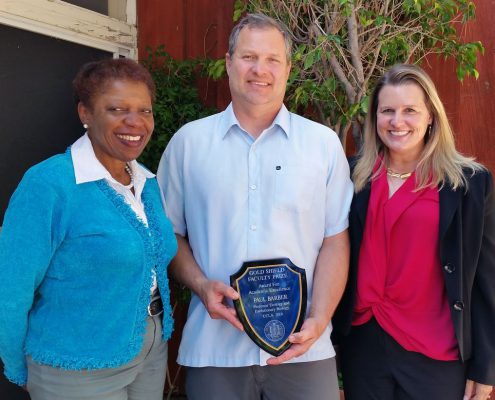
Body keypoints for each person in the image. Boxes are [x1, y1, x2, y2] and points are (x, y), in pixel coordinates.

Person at [157, 12, 353, 400]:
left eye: (272, 59)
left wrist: (320, 319)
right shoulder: (189, 144)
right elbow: (169, 234)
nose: (259, 69)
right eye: (248, 57)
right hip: (214, 349)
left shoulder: (322, 144)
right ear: (229, 63)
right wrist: (199, 284)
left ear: (288, 68)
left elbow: (335, 239)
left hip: (304, 350)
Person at [0, 58, 177, 400]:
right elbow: (11, 287)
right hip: (78, 365)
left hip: (151, 353)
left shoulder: (146, 181)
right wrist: (15, 364)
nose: (135, 122)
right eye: (117, 109)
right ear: (85, 113)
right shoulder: (50, 184)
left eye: (145, 110)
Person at [332, 63, 495, 400]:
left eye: (410, 110)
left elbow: (487, 280)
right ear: (375, 117)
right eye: (387, 110)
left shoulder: (469, 184)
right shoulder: (350, 177)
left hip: (436, 352)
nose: (397, 121)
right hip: (364, 347)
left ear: (431, 116)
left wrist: (486, 366)